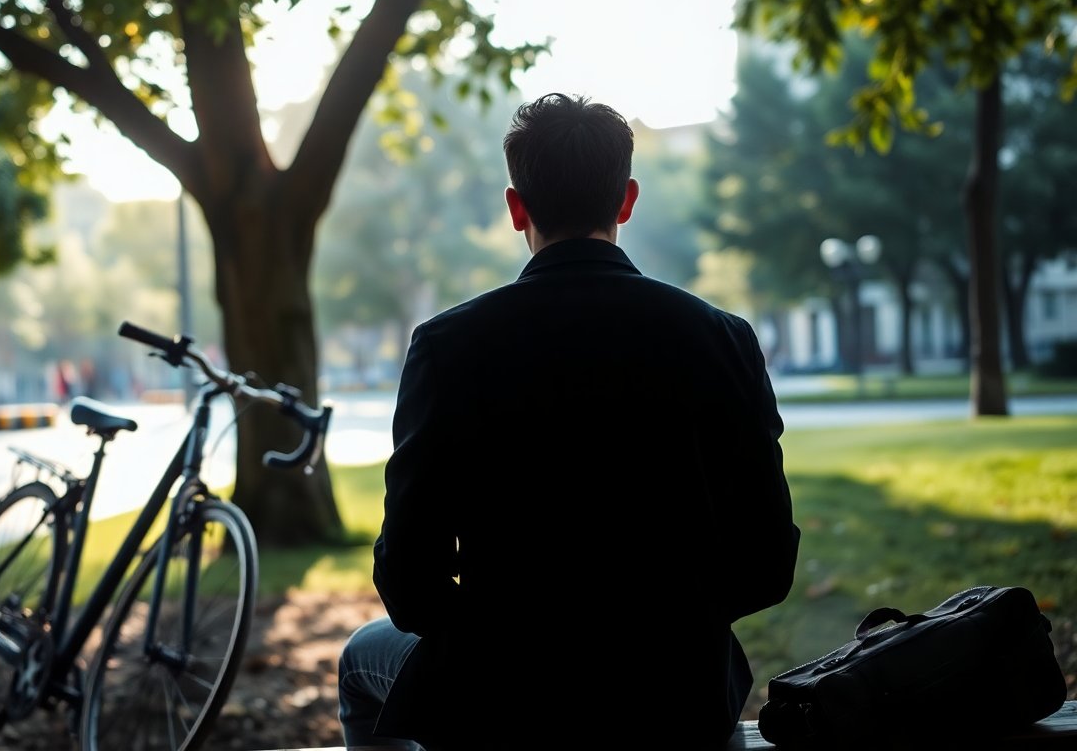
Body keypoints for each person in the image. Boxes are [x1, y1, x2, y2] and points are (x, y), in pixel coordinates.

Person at [337, 93, 801, 750]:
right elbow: (768, 563)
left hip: (510, 694)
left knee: (361, 660)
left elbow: (411, 585)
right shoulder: (720, 337)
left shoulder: (449, 346)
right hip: (677, 693)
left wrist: (509, 631)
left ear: (516, 207)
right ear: (627, 200)